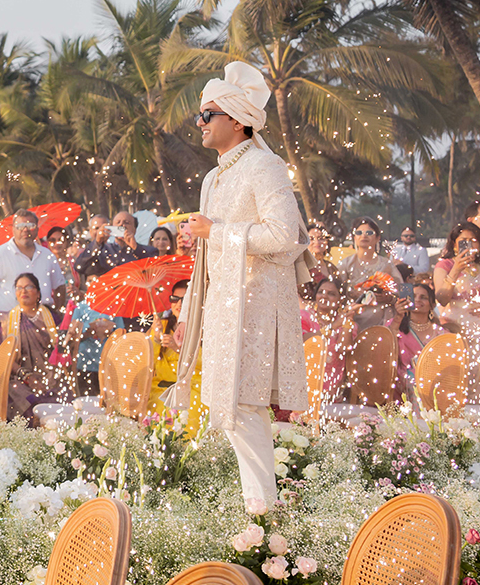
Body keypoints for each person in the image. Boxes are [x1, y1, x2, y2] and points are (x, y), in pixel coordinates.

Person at [175, 61, 309, 507]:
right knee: (228, 412)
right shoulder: (215, 176)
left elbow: (285, 235)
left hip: (256, 309)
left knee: (245, 408)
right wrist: (187, 313)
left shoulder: (265, 166)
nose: (199, 124)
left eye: (206, 115)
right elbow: (212, 250)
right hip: (222, 307)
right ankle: (260, 515)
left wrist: (218, 232)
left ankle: (263, 519)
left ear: (236, 120)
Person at [433, 222, 480, 402]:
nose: (469, 245)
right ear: (454, 244)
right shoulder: (445, 265)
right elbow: (442, 298)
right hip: (457, 330)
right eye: (463, 241)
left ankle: (477, 417)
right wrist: (456, 269)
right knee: (458, 376)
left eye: (473, 241)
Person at [0, 209, 66, 329]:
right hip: (10, 321)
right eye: (20, 226)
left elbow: (60, 286)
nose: (25, 230)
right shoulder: (0, 254)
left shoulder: (47, 255)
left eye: (30, 225)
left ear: (37, 229)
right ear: (13, 229)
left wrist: (56, 311)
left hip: (44, 321)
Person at [5, 273, 72, 423]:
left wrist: (52, 374)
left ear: (38, 292)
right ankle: (30, 426)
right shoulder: (11, 320)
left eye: (29, 287)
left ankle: (55, 428)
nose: (24, 291)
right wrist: (28, 377)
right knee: (13, 389)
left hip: (52, 373)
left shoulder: (52, 316)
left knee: (61, 390)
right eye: (19, 288)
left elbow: (62, 349)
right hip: (23, 377)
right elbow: (7, 357)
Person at [148, 279, 206, 435]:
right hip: (162, 386)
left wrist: (177, 348)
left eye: (185, 300)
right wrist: (155, 337)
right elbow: (149, 363)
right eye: (175, 299)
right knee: (154, 404)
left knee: (189, 408)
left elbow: (205, 363)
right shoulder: (162, 325)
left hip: (192, 386)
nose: (179, 304)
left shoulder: (202, 329)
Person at [335, 217, 404, 331]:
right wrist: (352, 293)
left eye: (369, 232)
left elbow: (402, 294)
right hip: (352, 321)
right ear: (354, 238)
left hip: (382, 321)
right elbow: (335, 291)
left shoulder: (387, 265)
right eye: (359, 232)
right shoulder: (345, 264)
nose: (364, 235)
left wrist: (389, 298)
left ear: (378, 238)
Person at [300, 278, 358, 403]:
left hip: (331, 392)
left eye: (331, 294)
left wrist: (347, 322)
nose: (324, 296)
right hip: (303, 387)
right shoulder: (304, 316)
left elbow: (344, 348)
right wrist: (332, 327)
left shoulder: (345, 321)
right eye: (321, 292)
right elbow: (304, 341)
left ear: (340, 300)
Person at [391, 283, 448, 403]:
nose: (417, 300)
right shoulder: (396, 325)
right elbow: (385, 348)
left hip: (434, 386)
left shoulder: (441, 333)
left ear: (432, 305)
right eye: (413, 296)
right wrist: (398, 318)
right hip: (401, 386)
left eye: (423, 297)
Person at [70, 274, 121, 397]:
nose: (94, 284)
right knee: (85, 401)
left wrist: (110, 333)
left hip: (107, 363)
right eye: (90, 281)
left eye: (98, 280)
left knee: (106, 402)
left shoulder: (113, 307)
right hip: (84, 362)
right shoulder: (81, 307)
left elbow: (121, 335)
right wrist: (88, 333)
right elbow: (72, 338)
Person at [73, 211, 156, 280]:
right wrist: (97, 242)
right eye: (118, 222)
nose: (122, 225)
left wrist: (135, 248)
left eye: (127, 223)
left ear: (134, 229)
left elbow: (154, 266)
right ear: (112, 227)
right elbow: (79, 267)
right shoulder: (102, 251)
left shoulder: (145, 250)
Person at [43, 226, 79, 298]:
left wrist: (78, 293)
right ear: (48, 243)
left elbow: (85, 289)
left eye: (61, 240)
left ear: (67, 242)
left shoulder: (75, 263)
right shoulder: (44, 264)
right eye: (52, 240)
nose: (57, 243)